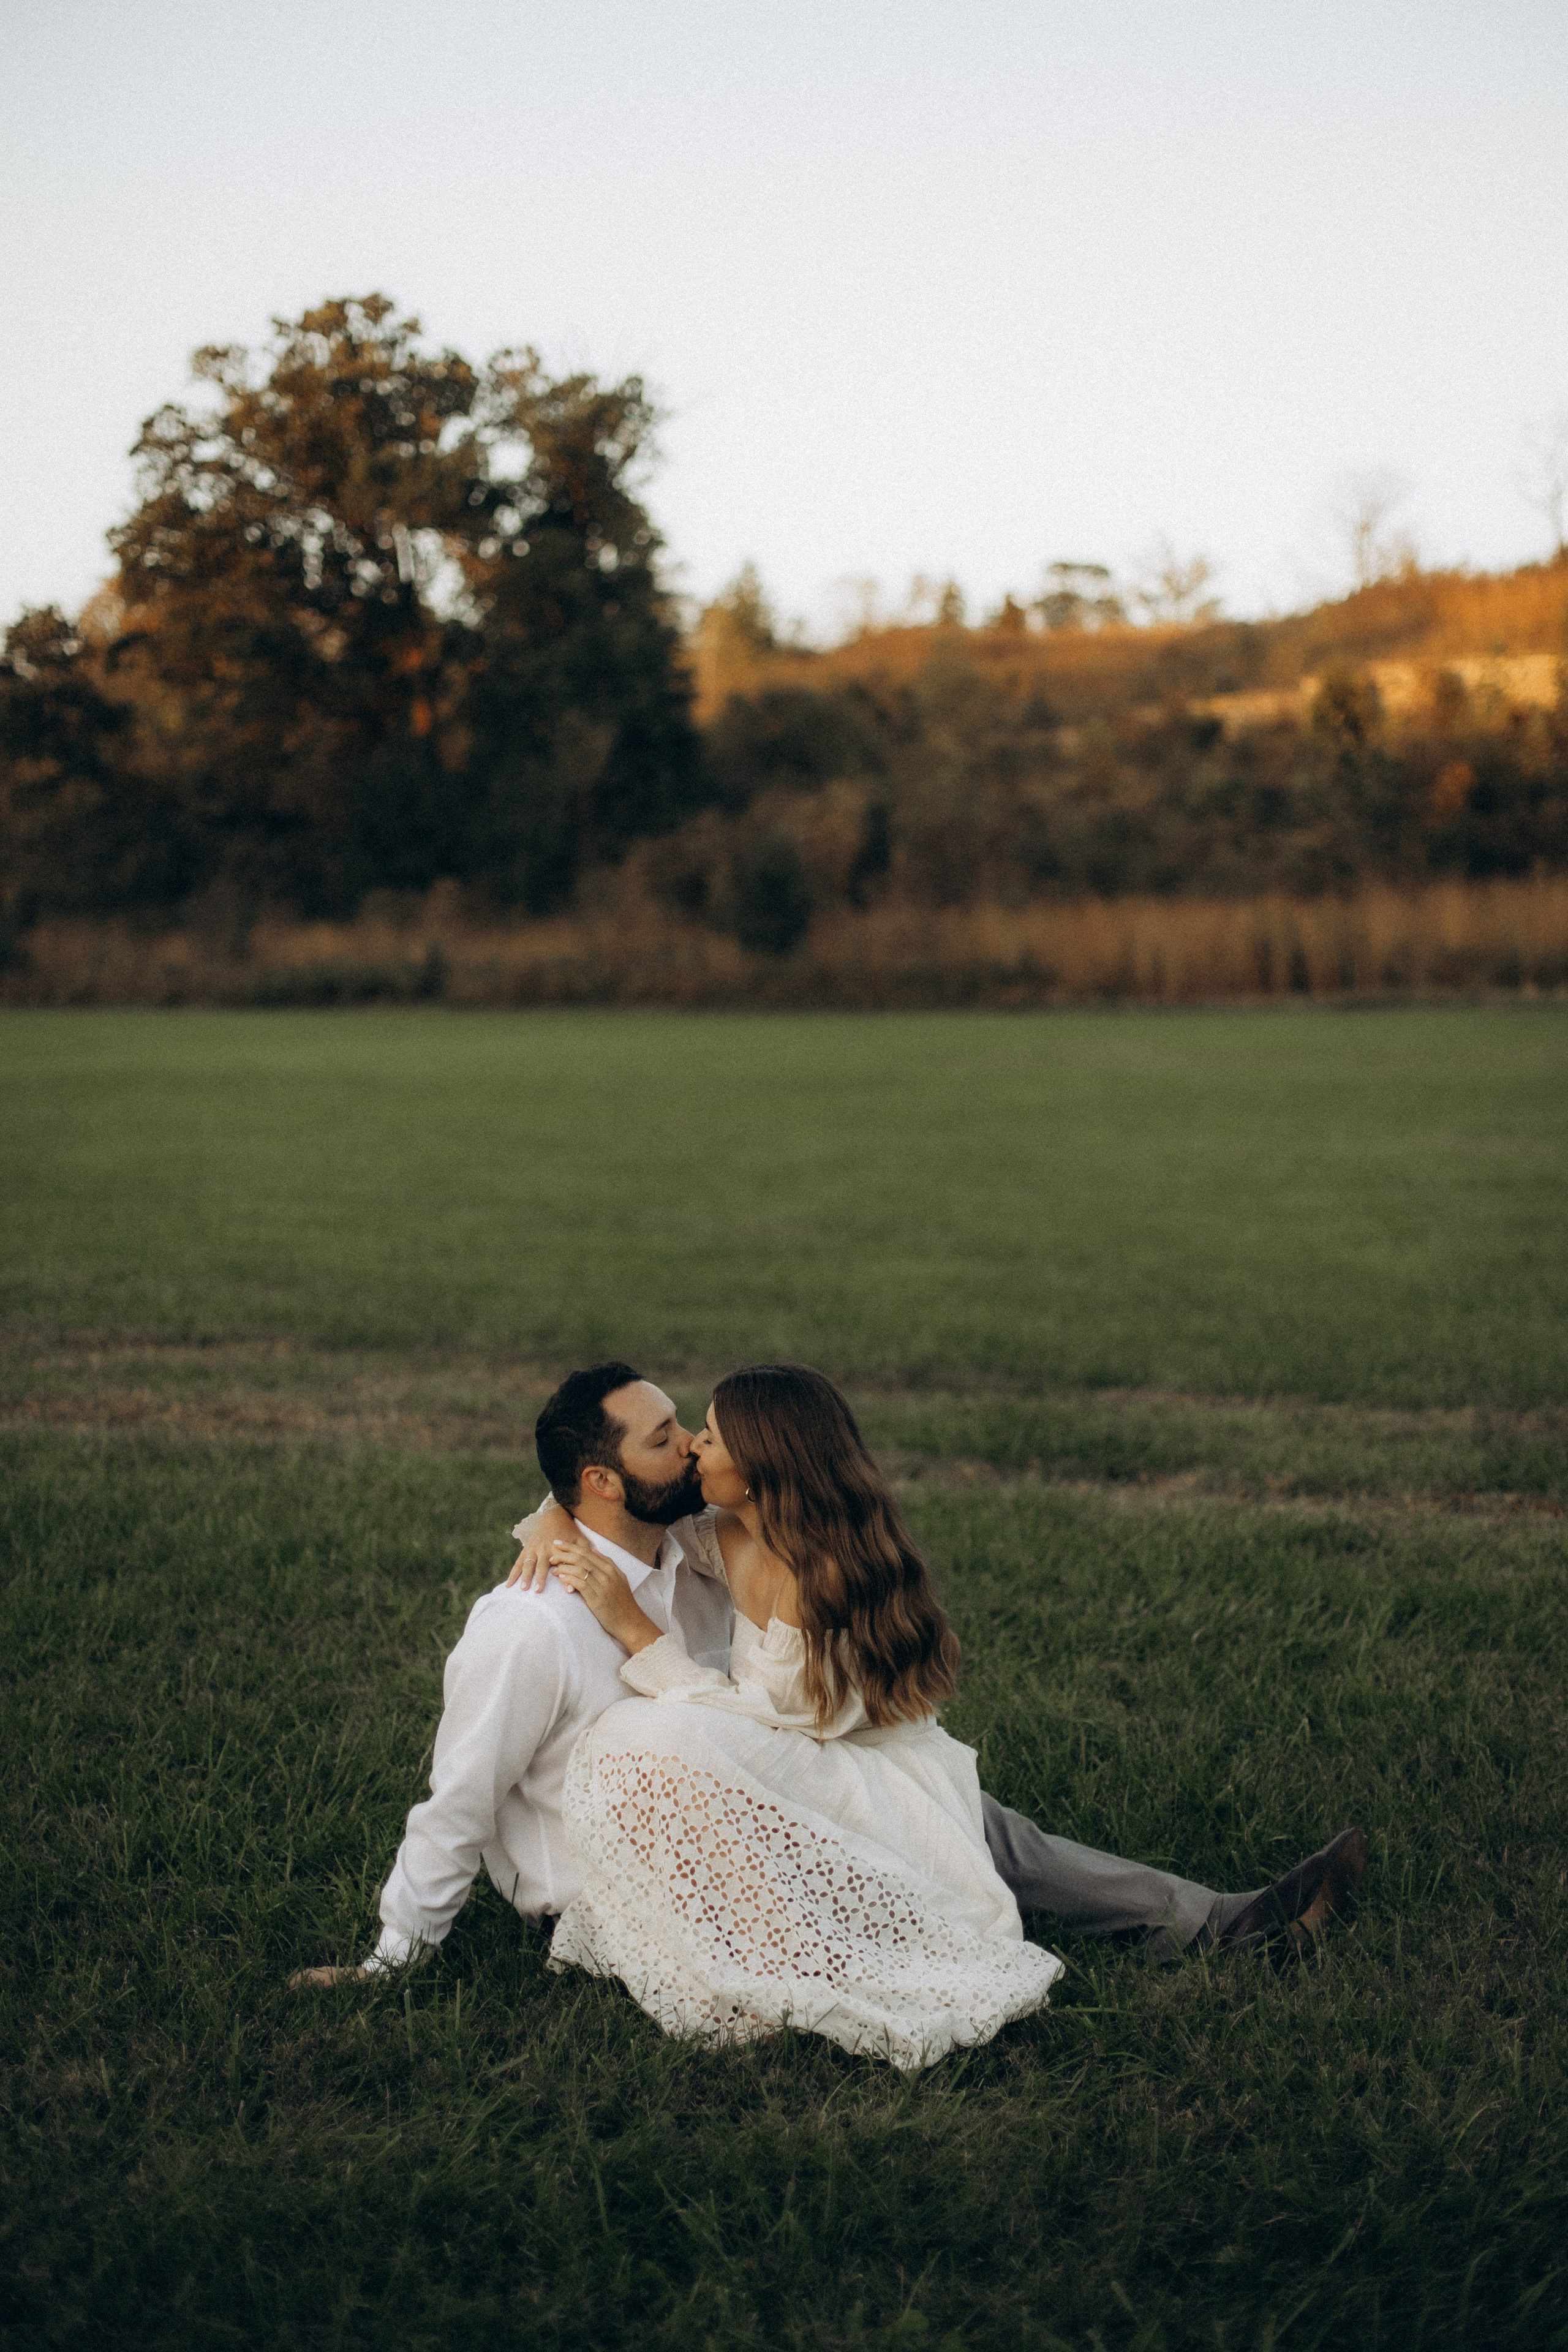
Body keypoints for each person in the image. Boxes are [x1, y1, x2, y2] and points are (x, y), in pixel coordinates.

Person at [292, 1362, 1363, 1998]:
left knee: (949, 1812)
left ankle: (1222, 1924)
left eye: (696, 1432)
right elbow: (459, 1803)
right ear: (605, 1480)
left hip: (755, 1806)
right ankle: (1211, 1927)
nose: (693, 1448)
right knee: (940, 1832)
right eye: (670, 1439)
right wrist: (394, 1962)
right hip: (643, 1889)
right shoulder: (529, 1629)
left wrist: (566, 1533)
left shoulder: (695, 1551)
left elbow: (761, 1722)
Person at [541, 1363, 1064, 2067]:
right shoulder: (727, 1531)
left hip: (870, 1776)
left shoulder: (825, 1576)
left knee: (1032, 1865)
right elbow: (619, 1504)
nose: (693, 1446)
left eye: (711, 1438)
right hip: (798, 1764)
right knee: (649, 1739)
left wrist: (636, 1630)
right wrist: (554, 1517)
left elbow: (764, 1725)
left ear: (759, 1469)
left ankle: (1198, 1919)